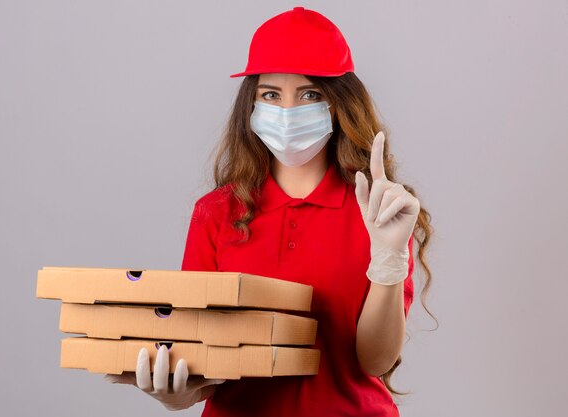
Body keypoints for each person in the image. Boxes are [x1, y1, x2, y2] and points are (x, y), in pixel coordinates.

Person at [105, 6, 434, 416]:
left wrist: (389, 259)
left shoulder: (380, 212)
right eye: (271, 95)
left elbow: (375, 361)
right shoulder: (216, 213)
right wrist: (178, 394)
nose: (288, 111)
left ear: (338, 104)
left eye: (310, 94)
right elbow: (201, 350)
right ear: (252, 105)